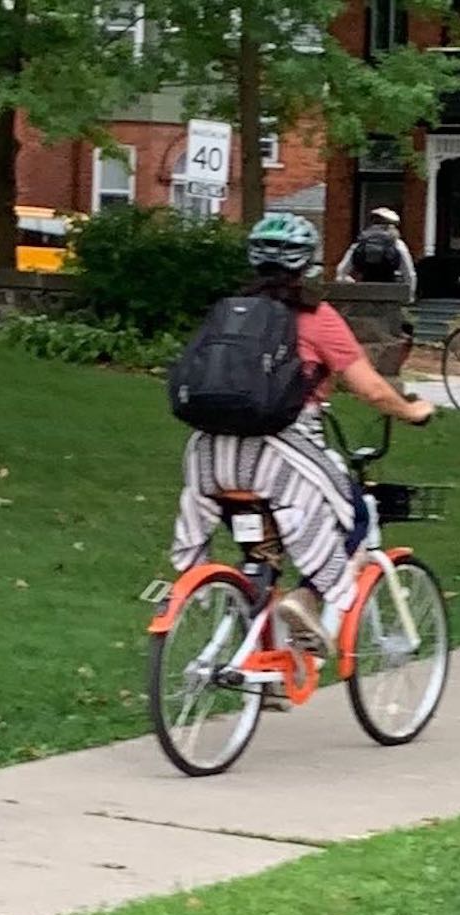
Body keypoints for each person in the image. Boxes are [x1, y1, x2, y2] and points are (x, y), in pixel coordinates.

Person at [170, 214, 435, 654]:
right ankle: (307, 598)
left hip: (209, 455)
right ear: (306, 263)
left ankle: (264, 664)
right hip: (283, 454)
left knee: (262, 550)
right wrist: (412, 411)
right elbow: (371, 389)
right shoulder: (316, 318)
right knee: (357, 515)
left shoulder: (229, 312)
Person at [335, 207, 419, 302]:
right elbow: (409, 273)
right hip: (390, 294)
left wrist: (349, 283)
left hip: (364, 293)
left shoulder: (360, 243)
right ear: (392, 226)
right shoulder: (397, 244)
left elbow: (341, 271)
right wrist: (410, 296)